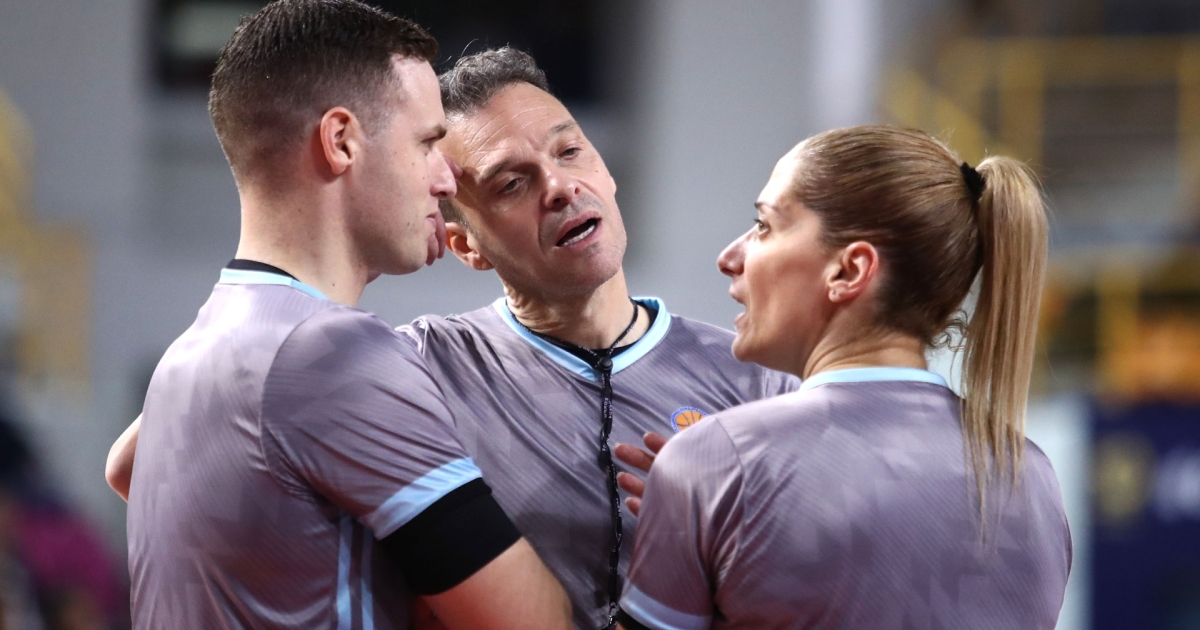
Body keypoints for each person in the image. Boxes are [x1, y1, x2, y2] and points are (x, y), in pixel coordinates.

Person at [107, 47, 797, 629]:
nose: (560, 187)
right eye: (512, 183)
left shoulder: (759, 381)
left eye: (570, 151)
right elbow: (142, 459)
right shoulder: (409, 366)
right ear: (467, 246)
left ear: (606, 171)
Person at [123, 3, 570, 629]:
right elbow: (536, 623)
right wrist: (679, 509)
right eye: (427, 143)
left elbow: (124, 468)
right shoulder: (335, 354)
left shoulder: (195, 350)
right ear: (340, 142)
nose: (447, 181)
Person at [615, 126, 1072, 630]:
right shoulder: (1034, 477)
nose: (730, 258)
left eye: (763, 226)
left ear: (849, 270)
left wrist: (700, 509)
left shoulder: (718, 462)